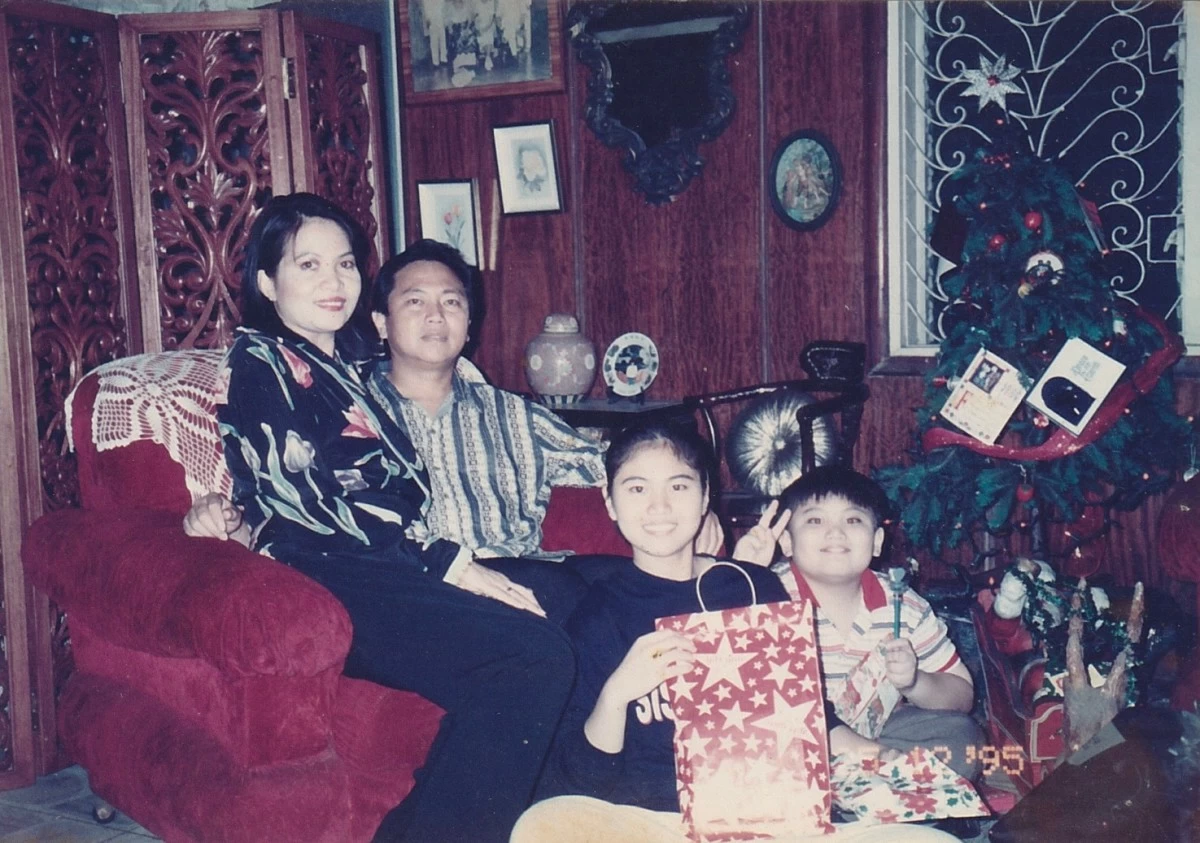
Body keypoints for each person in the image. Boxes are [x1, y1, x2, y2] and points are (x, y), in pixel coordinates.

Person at [215, 192, 573, 843]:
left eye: (346, 264)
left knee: (559, 612)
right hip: (332, 580)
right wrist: (446, 562)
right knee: (530, 656)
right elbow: (310, 503)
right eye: (309, 265)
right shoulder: (261, 362)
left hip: (384, 569)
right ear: (267, 281)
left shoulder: (343, 371)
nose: (334, 282)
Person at [518, 423, 956, 842]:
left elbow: (808, 711)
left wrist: (879, 758)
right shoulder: (597, 616)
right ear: (610, 503)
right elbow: (580, 779)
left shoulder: (752, 586)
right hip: (656, 825)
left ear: (706, 494)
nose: (659, 507)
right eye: (636, 489)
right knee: (541, 826)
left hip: (771, 815)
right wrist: (617, 693)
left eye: (678, 486)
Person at [775, 466, 984, 780]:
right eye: (815, 520)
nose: (836, 532)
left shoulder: (903, 604)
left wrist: (914, 682)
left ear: (877, 542)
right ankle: (864, 796)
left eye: (853, 520)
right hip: (794, 746)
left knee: (962, 739)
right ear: (786, 541)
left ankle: (862, 793)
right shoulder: (769, 597)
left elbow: (962, 695)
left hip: (878, 738)